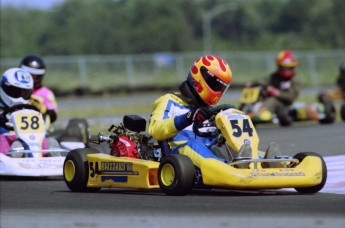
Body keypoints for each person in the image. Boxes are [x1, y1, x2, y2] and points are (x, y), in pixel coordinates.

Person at [148, 55, 235, 166]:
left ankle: (255, 163)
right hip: (180, 160)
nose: (218, 91)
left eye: (222, 87)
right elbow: (155, 130)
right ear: (199, 78)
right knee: (193, 145)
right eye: (215, 84)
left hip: (209, 154)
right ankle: (226, 170)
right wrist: (188, 117)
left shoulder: (211, 112)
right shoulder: (170, 101)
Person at [248, 50, 301, 123]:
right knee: (256, 94)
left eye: (288, 68)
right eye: (283, 67)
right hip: (266, 101)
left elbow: (291, 98)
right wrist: (253, 85)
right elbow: (262, 82)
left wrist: (277, 93)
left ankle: (261, 114)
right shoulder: (274, 76)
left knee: (273, 100)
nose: (285, 70)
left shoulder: (294, 80)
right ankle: (245, 111)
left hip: (284, 104)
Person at [19, 54, 58, 128]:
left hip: (39, 130)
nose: (31, 78)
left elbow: (54, 116)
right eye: (29, 75)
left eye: (34, 75)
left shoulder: (46, 93)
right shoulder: (14, 90)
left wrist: (43, 109)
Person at [0, 68, 34, 153]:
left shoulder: (28, 110)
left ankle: (49, 152)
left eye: (25, 92)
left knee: (46, 141)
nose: (20, 98)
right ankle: (13, 153)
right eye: (16, 92)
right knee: (3, 141)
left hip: (28, 141)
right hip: (4, 142)